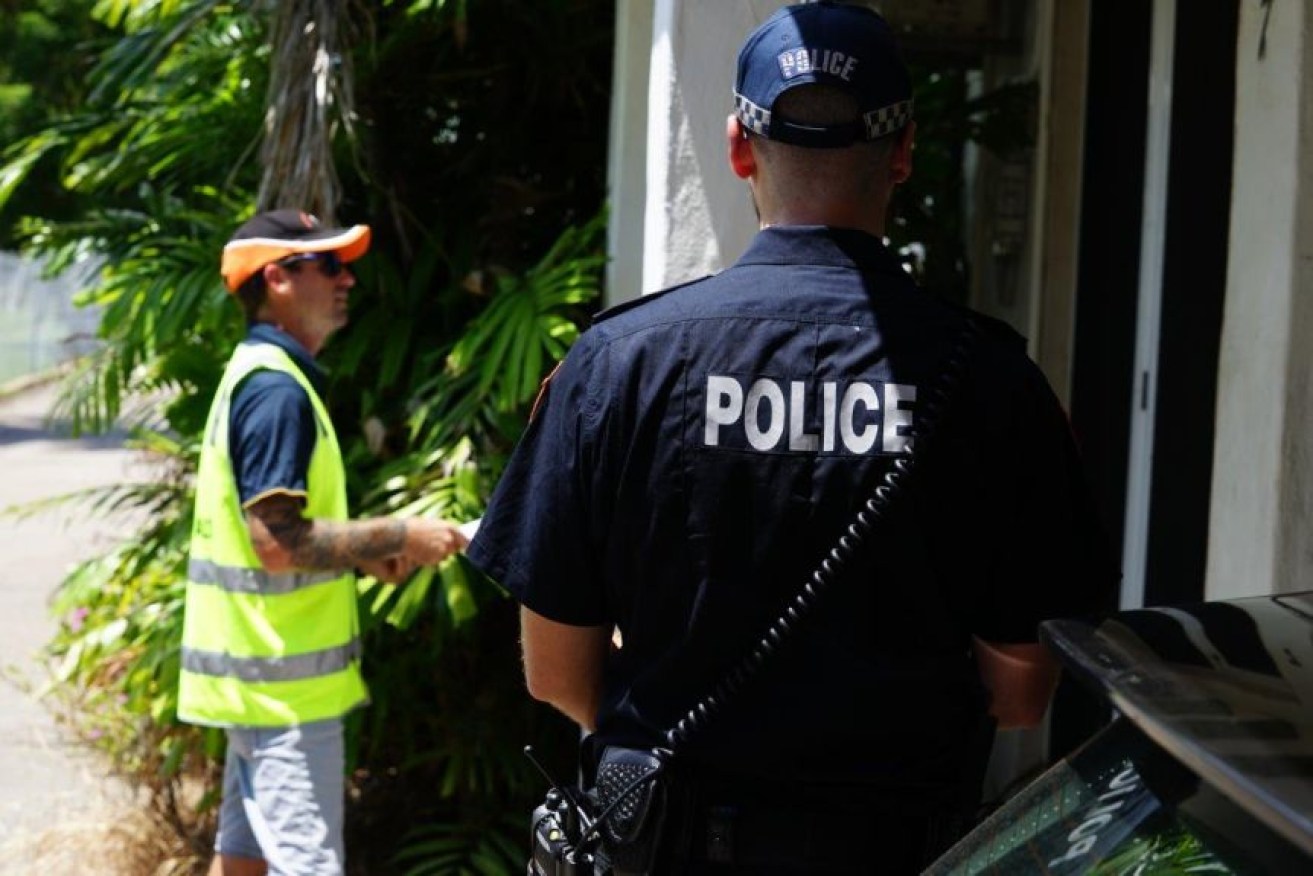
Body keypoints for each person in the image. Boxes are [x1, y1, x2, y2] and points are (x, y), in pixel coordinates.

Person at [467, 2, 1116, 872]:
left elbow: (554, 673)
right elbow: (1022, 692)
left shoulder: (618, 364)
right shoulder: (994, 384)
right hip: (893, 847)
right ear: (904, 152)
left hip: (663, 844)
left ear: (739, 147)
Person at [177, 209, 467, 876]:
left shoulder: (264, 375)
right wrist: (398, 533)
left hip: (263, 682)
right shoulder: (277, 391)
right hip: (283, 695)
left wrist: (365, 550)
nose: (348, 281)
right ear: (276, 278)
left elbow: (278, 536)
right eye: (330, 265)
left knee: (243, 859)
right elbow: (275, 543)